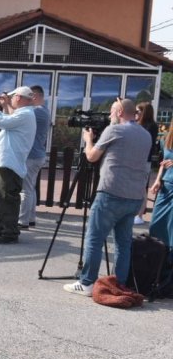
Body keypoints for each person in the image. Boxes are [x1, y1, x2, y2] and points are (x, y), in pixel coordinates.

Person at [64, 98, 153, 296]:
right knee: (123, 243)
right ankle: (118, 283)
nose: (109, 116)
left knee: (94, 238)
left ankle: (87, 282)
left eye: (112, 112)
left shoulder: (114, 130)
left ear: (120, 112)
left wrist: (88, 139)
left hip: (111, 192)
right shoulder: (145, 134)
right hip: (134, 196)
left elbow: (91, 156)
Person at [0, 86, 37, 244]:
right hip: (4, 161)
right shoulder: (23, 113)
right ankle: (0, 227)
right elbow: (9, 118)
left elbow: (0, 121)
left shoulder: (25, 114)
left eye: (12, 97)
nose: (10, 99)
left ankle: (10, 232)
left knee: (7, 198)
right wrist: (5, 105)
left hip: (9, 162)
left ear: (18, 97)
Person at [17, 85, 51, 229]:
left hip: (32, 155)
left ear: (35, 96)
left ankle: (22, 221)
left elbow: (15, 116)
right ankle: (30, 218)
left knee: (25, 190)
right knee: (30, 188)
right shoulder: (44, 110)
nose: (28, 99)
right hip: (37, 154)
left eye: (29, 96)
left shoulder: (37, 111)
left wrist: (6, 104)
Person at [134, 102, 159, 225]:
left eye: (138, 112)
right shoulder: (139, 125)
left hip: (144, 161)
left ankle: (139, 214)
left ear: (144, 112)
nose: (135, 114)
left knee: (142, 188)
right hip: (136, 160)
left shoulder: (151, 126)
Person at [148, 127, 173, 248]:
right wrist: (158, 180)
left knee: (171, 229)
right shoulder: (167, 138)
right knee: (155, 225)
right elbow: (163, 162)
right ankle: (157, 255)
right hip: (165, 188)